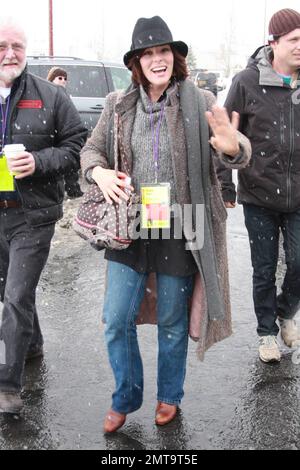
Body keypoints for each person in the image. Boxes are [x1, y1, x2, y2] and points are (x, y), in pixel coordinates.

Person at [81, 15, 251, 433]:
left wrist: (233, 149)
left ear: (175, 57)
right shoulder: (117, 106)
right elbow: (91, 151)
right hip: (131, 223)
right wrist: (98, 173)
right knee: (116, 318)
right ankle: (125, 395)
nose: (158, 60)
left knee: (173, 322)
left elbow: (234, 147)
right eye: (148, 53)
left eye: (164, 51)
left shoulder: (198, 101)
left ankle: (168, 396)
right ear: (137, 62)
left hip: (183, 224)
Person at [0, 19, 88, 413]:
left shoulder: (49, 95)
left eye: (17, 46)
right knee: (11, 292)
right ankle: (31, 344)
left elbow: (77, 145)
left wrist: (37, 162)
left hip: (33, 216)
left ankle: (7, 385)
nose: (10, 54)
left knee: (15, 296)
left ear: (26, 50)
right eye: (2, 46)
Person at [217, 8, 300, 363]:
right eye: (294, 40)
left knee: (298, 262)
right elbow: (222, 135)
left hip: (298, 196)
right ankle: (266, 333)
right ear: (274, 43)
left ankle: (285, 312)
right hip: (259, 194)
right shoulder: (247, 82)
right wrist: (226, 185)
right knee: (264, 268)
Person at [47, 66, 84, 199]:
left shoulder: (63, 94)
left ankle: (72, 188)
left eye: (65, 79)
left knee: (69, 162)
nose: (63, 81)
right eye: (59, 78)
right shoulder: (48, 93)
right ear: (52, 79)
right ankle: (68, 189)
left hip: (64, 133)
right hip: (53, 134)